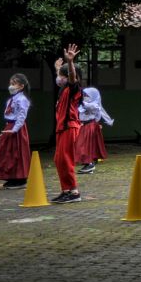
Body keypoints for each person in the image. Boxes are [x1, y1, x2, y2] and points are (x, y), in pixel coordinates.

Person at [52, 45, 84, 204]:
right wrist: (58, 68)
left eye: (62, 76)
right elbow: (62, 79)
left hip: (69, 127)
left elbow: (71, 77)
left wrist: (70, 62)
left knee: (66, 159)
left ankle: (74, 192)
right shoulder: (63, 88)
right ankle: (66, 190)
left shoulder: (74, 87)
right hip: (62, 128)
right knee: (59, 160)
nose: (61, 78)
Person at [0, 73, 31, 189]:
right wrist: (6, 129)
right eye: (11, 83)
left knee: (17, 153)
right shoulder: (12, 99)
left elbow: (21, 116)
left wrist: (14, 130)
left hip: (17, 128)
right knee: (6, 153)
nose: (11, 86)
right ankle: (11, 177)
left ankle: (20, 179)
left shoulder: (22, 99)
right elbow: (9, 115)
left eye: (14, 84)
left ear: (21, 86)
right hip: (10, 126)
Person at [75, 86, 113, 174]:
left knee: (84, 146)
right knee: (83, 145)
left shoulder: (93, 105)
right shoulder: (84, 104)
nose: (84, 96)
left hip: (89, 126)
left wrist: (81, 102)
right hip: (85, 126)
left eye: (86, 95)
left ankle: (89, 164)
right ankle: (88, 163)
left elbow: (89, 107)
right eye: (84, 95)